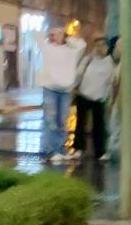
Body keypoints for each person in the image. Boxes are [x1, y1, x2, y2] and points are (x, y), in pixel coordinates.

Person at [36, 24, 85, 164]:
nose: (53, 37)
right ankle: (49, 150)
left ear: (63, 35)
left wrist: (68, 38)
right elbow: (36, 36)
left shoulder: (72, 50)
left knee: (62, 120)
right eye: (52, 34)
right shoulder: (47, 47)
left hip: (65, 89)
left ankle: (60, 149)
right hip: (50, 88)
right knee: (50, 119)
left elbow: (82, 45)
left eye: (57, 34)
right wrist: (48, 35)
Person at [72, 37, 117, 162]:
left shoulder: (110, 62)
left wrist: (108, 98)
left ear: (107, 47)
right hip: (83, 95)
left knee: (99, 126)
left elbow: (111, 81)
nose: (100, 48)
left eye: (103, 45)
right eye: (97, 45)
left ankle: (100, 152)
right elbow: (78, 74)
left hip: (99, 98)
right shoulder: (88, 59)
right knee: (80, 123)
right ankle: (79, 149)